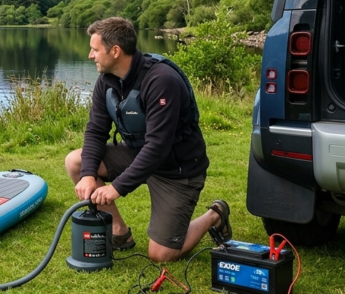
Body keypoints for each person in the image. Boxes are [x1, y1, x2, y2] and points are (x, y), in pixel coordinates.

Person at [64, 17, 232, 263]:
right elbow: (96, 130)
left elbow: (158, 146)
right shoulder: (107, 81)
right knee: (76, 163)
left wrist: (117, 187)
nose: (90, 55)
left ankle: (214, 215)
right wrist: (89, 173)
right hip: (136, 153)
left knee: (161, 255)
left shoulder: (161, 81)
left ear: (115, 51)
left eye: (95, 49)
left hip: (177, 168)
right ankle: (119, 232)